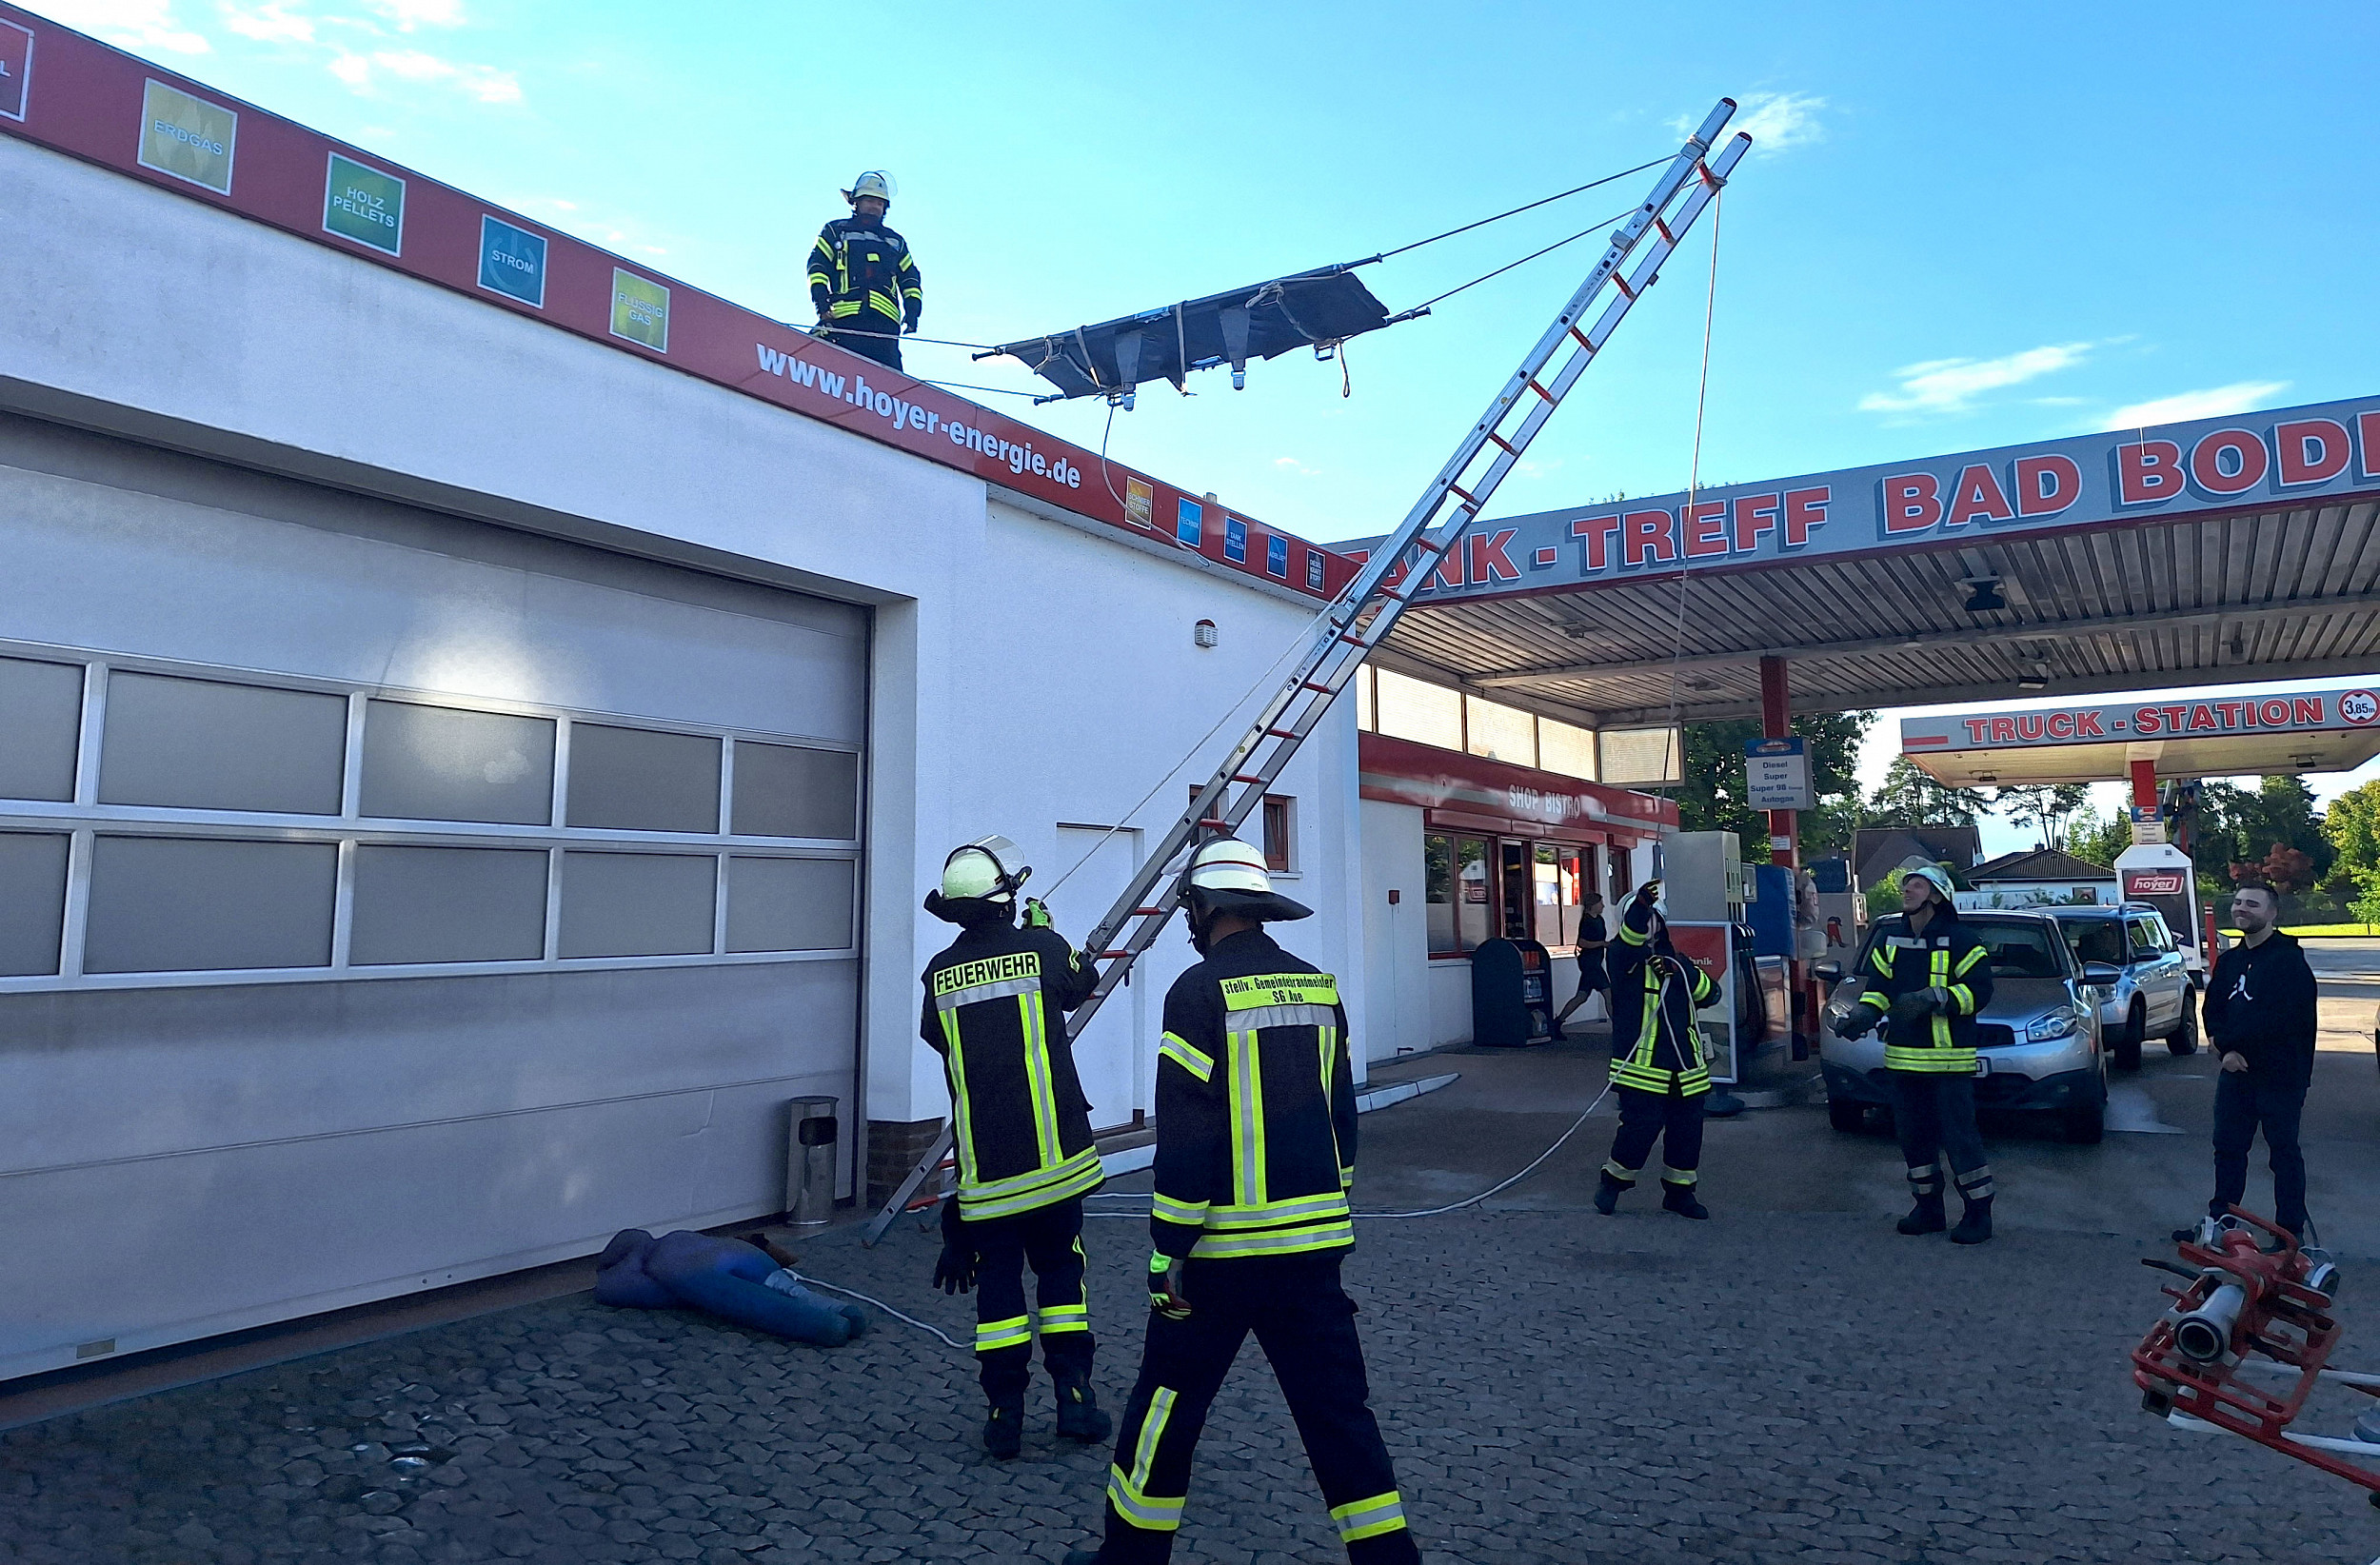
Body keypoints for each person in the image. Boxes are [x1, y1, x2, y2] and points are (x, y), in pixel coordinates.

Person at [1066, 837, 1419, 1565]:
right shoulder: (1320, 988)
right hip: (1312, 1258)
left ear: (1201, 909)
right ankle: (1390, 1560)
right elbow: (1342, 1124)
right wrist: (1327, 1216)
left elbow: (1187, 1141)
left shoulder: (1195, 993)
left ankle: (1129, 1559)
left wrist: (1169, 1249)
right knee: (1338, 1416)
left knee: (1166, 1409)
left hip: (1218, 1261)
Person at [920, 834, 1112, 1458]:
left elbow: (939, 1040)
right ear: (1007, 901)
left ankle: (1004, 1412)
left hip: (988, 1175)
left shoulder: (939, 976)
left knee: (998, 1289)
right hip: (1056, 1167)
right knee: (1062, 1274)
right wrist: (1048, 932)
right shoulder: (1042, 949)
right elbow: (1085, 981)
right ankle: (1076, 1402)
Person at [1835, 864, 1998, 1244]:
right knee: (1913, 1138)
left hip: (1948, 1062)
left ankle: (1978, 1213)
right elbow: (1878, 989)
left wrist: (1934, 998)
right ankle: (1927, 1208)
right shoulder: (1890, 940)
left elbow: (1980, 991)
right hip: (1903, 1060)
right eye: (1906, 884)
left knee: (1960, 1139)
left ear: (1937, 896)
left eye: (1917, 885)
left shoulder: (1962, 941)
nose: (1907, 890)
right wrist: (1863, 1014)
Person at [1592, 882, 1724, 1219]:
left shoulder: (1679, 963)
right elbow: (1630, 938)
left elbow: (1712, 995)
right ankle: (1612, 1183)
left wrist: (1681, 974)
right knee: (1640, 1129)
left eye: (1655, 919)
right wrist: (1641, 905)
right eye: (1645, 919)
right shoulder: (1622, 962)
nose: (1650, 925)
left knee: (1687, 1133)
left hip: (1686, 1070)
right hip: (1642, 1070)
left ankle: (1680, 1194)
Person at [2195, 883, 2319, 1239]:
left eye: (2252, 904)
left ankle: (2288, 1233)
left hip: (2281, 1075)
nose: (2242, 909)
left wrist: (2231, 1046)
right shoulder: (2232, 961)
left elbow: (2279, 1021)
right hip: (2237, 1074)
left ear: (2272, 913)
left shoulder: (2288, 961)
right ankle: (2221, 1222)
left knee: (2283, 1154)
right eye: (2237, 903)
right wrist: (2223, 1047)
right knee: (2228, 1148)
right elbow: (2213, 1009)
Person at [809, 170, 922, 370]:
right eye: (869, 200)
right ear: (857, 203)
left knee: (890, 386)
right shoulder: (836, 231)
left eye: (879, 203)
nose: (874, 206)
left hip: (885, 328)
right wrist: (820, 299)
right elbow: (817, 265)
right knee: (836, 376)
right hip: (845, 319)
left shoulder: (896, 242)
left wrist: (913, 310)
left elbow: (910, 279)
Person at [1549, 891, 1610, 1043]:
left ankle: (1558, 1022)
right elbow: (1582, 943)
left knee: (1581, 996)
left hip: (1594, 962)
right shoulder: (1587, 921)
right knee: (1608, 994)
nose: (1603, 906)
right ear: (1592, 905)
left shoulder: (1599, 920)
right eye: (1600, 903)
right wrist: (1602, 944)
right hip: (1591, 964)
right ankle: (1621, 1029)